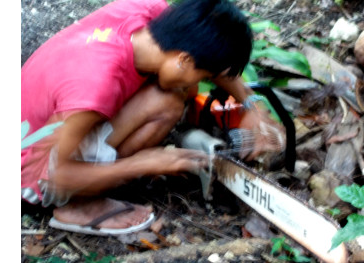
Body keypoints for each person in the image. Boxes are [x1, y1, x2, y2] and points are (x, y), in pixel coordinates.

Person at [21, 0, 284, 235]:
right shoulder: (96, 86)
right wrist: (142, 163)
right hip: (30, 168)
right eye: (202, 77)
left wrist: (253, 107)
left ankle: (99, 170)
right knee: (170, 101)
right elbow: (55, 177)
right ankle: (77, 206)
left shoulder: (149, 12)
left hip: (48, 120)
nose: (197, 86)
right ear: (183, 60)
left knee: (168, 99)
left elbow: (206, 52)